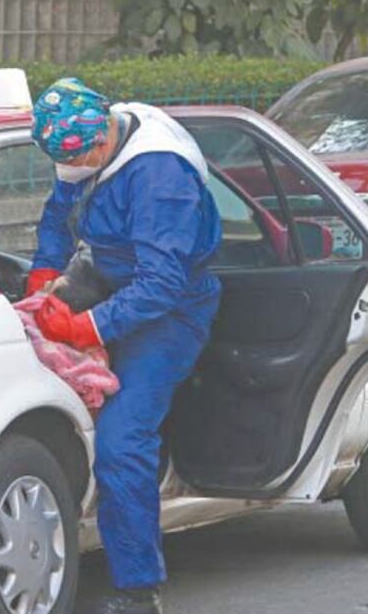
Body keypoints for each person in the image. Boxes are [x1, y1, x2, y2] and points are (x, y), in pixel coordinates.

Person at [27, 78, 222, 614]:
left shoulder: (161, 178)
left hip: (171, 310)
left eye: (74, 162)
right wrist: (45, 271)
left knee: (121, 438)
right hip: (110, 283)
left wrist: (86, 330)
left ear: (98, 144)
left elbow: (162, 284)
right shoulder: (84, 139)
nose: (67, 174)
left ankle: (138, 589)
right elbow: (58, 210)